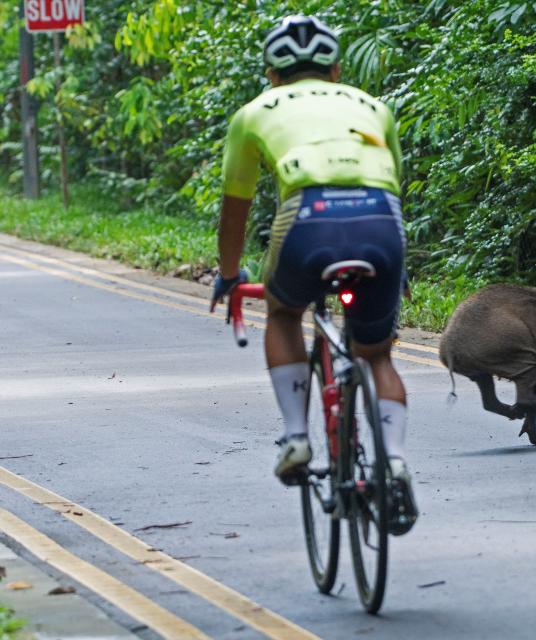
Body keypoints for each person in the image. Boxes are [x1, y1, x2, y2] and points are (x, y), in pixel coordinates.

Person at [209, 16, 416, 534]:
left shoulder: (254, 112)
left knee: (283, 313)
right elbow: (393, 188)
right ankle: (393, 461)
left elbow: (236, 208)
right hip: (379, 223)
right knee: (378, 354)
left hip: (307, 219)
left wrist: (231, 275)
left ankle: (296, 436)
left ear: (272, 74)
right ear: (336, 69)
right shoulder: (373, 106)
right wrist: (397, 269)